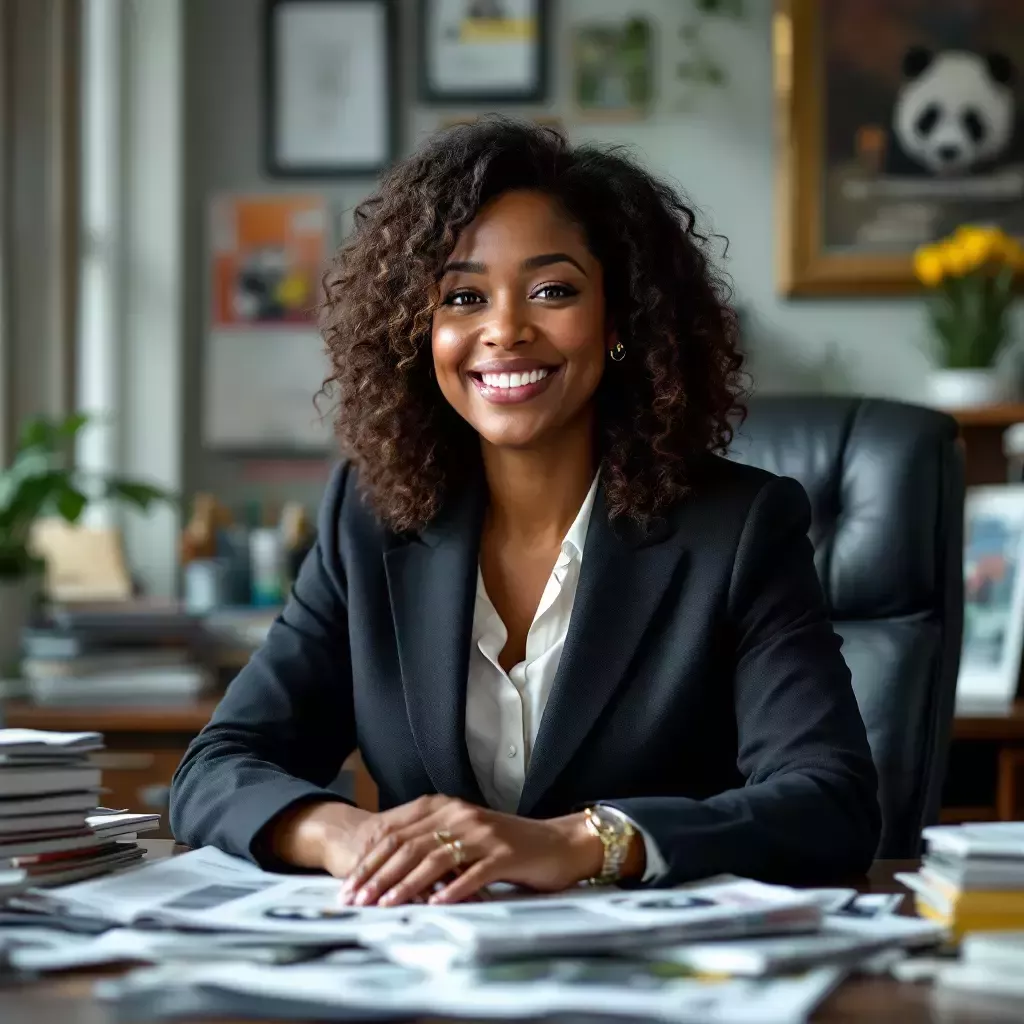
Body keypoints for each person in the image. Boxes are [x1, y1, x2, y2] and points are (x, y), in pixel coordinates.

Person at [170, 118, 880, 906]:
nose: (504, 331)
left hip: (651, 976)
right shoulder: (368, 521)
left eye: (553, 291)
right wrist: (352, 837)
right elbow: (216, 768)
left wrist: (579, 842)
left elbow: (831, 800)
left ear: (619, 323)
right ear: (420, 332)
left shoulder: (739, 529)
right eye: (463, 297)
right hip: (422, 974)